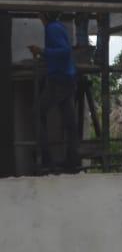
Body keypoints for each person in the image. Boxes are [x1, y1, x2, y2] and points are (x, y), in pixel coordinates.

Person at [28, 11, 80, 175]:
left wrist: (41, 51)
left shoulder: (51, 28)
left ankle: (46, 158)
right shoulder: (60, 27)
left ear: (44, 17)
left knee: (37, 113)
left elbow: (64, 52)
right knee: (70, 123)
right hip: (67, 78)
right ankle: (72, 160)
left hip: (59, 80)